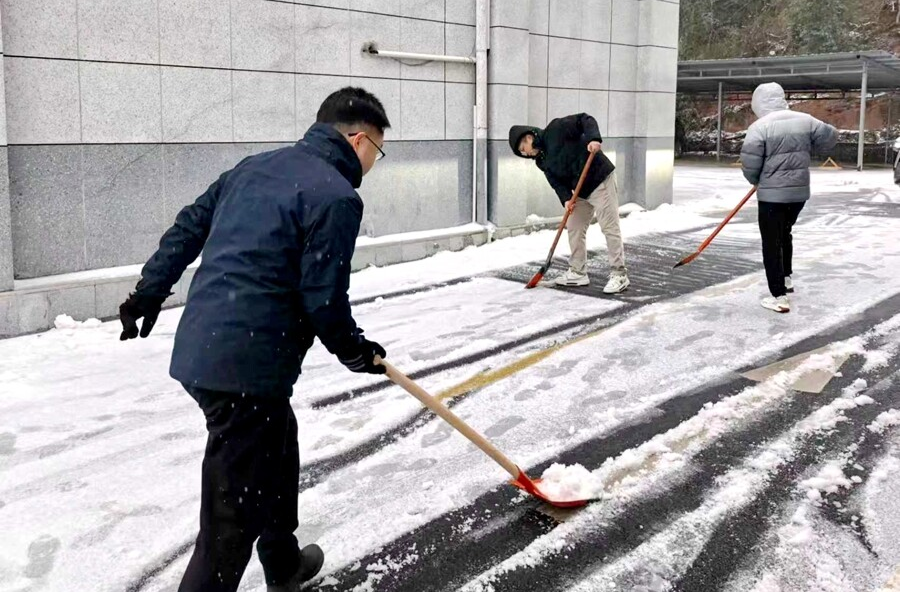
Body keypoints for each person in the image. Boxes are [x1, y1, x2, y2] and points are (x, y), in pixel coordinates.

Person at [118, 87, 391, 592]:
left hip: (206, 350)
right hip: (247, 370)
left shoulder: (253, 168)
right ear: (358, 141)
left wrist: (147, 293)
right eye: (379, 149)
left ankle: (283, 565)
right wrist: (355, 350)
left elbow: (188, 228)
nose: (375, 161)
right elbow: (323, 296)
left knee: (278, 448)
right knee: (227, 526)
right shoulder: (336, 197)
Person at [741, 82, 837, 313]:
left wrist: (756, 179)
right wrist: (809, 147)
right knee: (785, 232)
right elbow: (831, 136)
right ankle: (786, 278)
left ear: (758, 103)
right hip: (798, 194)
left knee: (771, 243)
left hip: (772, 196)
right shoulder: (805, 120)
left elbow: (749, 163)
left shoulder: (759, 127)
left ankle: (779, 297)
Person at [508, 114, 630, 294]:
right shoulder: (541, 160)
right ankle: (578, 272)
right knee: (574, 226)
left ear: (529, 137)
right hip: (581, 190)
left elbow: (585, 119)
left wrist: (593, 139)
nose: (525, 153)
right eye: (521, 152)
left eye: (523, 147)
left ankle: (619, 274)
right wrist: (566, 199)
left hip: (599, 178)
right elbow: (556, 182)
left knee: (609, 226)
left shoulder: (556, 129)